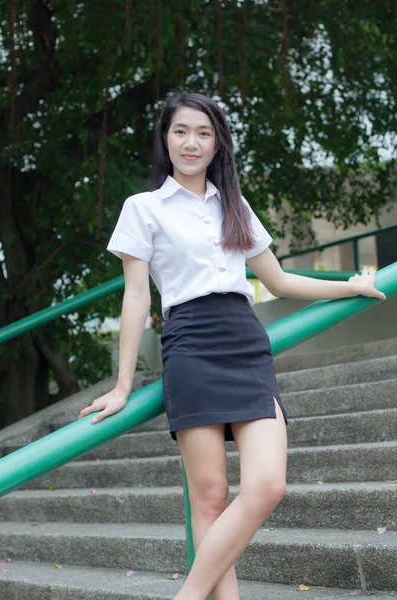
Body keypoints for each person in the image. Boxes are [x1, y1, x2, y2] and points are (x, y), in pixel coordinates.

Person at [78, 91, 386, 600]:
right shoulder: (143, 208)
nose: (191, 142)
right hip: (190, 344)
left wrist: (348, 287)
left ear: (218, 144)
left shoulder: (235, 205)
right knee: (212, 497)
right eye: (181, 131)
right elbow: (136, 298)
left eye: (203, 133)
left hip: (245, 341)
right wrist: (122, 384)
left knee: (268, 485)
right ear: (165, 139)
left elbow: (281, 281)